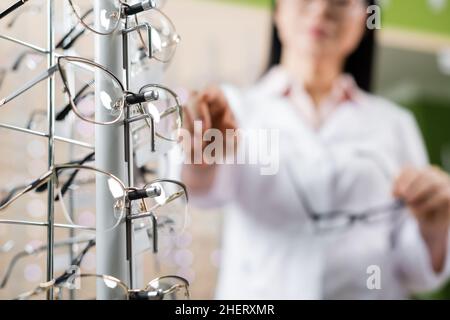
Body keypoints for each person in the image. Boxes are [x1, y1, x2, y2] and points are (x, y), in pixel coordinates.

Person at [181, 0, 450, 299]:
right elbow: (202, 193)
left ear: (364, 20)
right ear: (278, 10)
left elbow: (418, 273)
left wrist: (436, 225)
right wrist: (201, 154)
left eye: (341, 1)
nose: (321, 8)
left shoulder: (394, 124)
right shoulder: (237, 110)